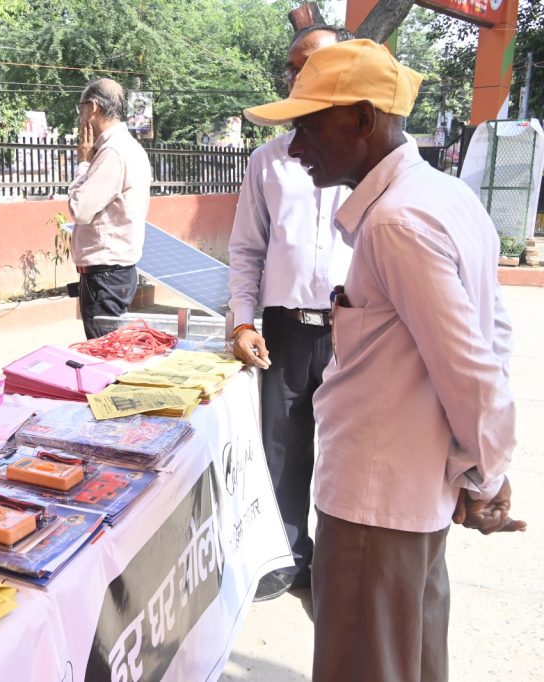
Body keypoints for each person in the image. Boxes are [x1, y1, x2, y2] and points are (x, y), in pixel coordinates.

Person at [243, 39, 525, 681]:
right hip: (407, 498)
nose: (295, 147)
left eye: (309, 127)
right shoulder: (443, 197)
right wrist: (482, 468)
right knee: (409, 661)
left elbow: (472, 369)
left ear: (364, 120)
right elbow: (493, 340)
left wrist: (484, 475)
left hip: (378, 505)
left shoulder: (398, 222)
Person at [228, 25, 353, 602]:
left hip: (358, 332)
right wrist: (242, 320)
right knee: (282, 447)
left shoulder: (367, 158)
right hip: (286, 329)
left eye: (315, 65)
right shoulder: (269, 161)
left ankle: (339, 563)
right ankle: (287, 557)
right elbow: (247, 249)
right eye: (295, 68)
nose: (302, 77)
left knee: (349, 450)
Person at [68, 78, 152, 339]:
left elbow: (79, 209)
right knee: (108, 353)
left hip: (106, 277)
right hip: (112, 275)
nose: (79, 117)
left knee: (103, 357)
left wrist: (82, 163)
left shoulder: (113, 152)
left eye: (79, 108)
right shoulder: (124, 147)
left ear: (92, 107)